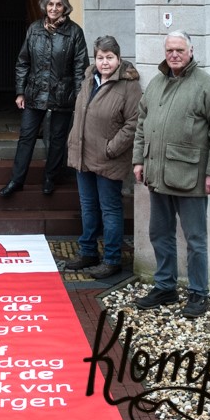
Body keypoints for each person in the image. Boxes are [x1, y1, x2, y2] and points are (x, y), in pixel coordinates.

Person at [132, 30, 210, 319]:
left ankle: (199, 292)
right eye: (169, 50)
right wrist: (139, 161)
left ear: (191, 51)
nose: (174, 55)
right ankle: (165, 287)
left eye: (179, 50)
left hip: (191, 178)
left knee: (195, 239)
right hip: (157, 175)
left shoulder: (207, 86)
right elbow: (142, 125)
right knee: (159, 234)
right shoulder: (156, 84)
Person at [64, 35, 140, 279]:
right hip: (83, 154)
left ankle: (112, 259)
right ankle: (88, 251)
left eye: (109, 57)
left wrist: (111, 149)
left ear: (118, 58)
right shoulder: (90, 77)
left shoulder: (129, 85)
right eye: (100, 57)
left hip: (109, 157)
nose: (104, 62)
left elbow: (134, 122)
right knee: (88, 206)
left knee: (110, 209)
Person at [0, 0, 88, 197]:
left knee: (57, 139)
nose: (54, 8)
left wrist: (79, 97)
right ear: (44, 6)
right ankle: (17, 180)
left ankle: (50, 178)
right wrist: (20, 92)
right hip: (35, 92)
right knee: (26, 136)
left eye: (58, 4)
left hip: (63, 94)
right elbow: (23, 62)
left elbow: (80, 68)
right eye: (50, 4)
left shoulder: (74, 32)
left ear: (65, 7)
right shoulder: (34, 29)